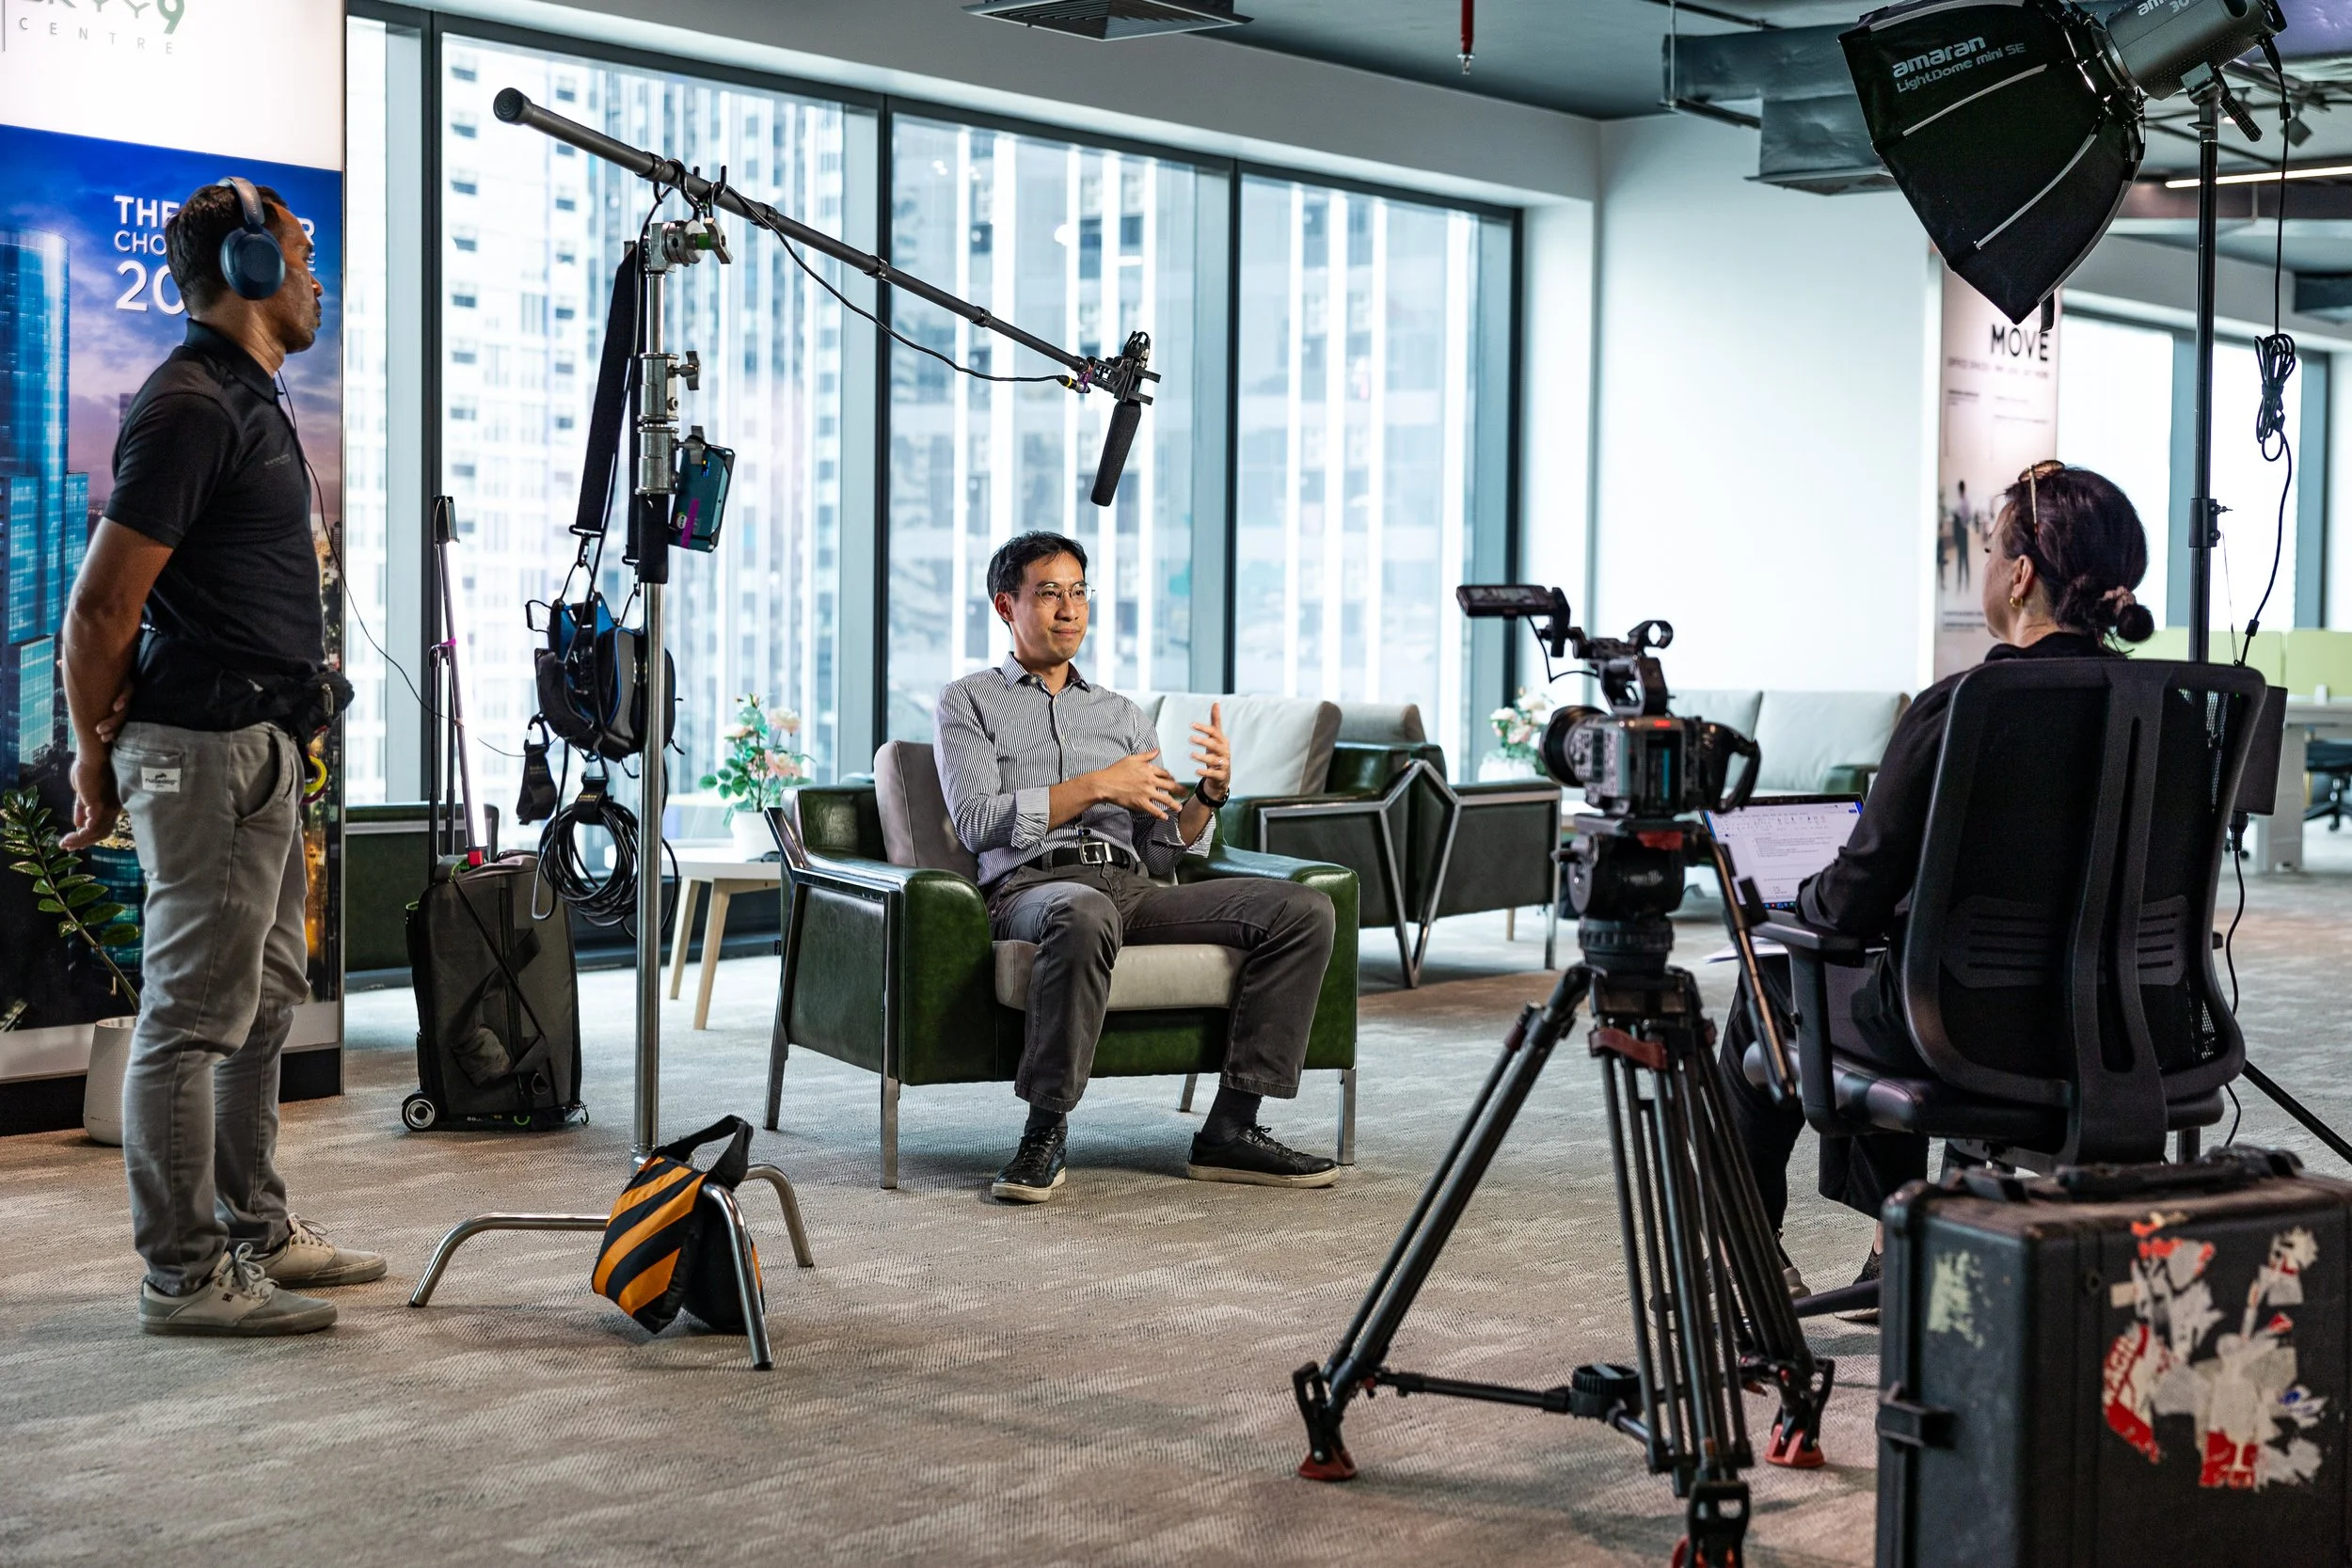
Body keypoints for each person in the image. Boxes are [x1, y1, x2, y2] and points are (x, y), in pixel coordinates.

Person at [1718, 461, 2156, 1308]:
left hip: (1959, 1025)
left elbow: (1849, 902)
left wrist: (1782, 911)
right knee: (1886, 963)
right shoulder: (2163, 704)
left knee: (1776, 971)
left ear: (2022, 575)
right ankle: (1899, 1237)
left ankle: (1742, 1263)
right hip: (2124, 1022)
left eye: (1992, 552)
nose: (1988, 567)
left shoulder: (1964, 704)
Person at [59, 180, 379, 1337]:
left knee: (263, 999)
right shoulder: (191, 403)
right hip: (198, 752)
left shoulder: (249, 397)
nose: (315, 274)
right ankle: (183, 1274)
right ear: (247, 268)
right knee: (192, 1013)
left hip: (259, 747)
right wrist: (96, 765)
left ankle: (254, 1229)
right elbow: (98, 611)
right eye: (300, 251)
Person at [935, 531, 1342, 1203]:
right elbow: (978, 821)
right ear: (1007, 606)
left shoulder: (1123, 716)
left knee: (1302, 909)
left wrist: (1206, 798)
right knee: (1082, 909)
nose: (1069, 609)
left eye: (1078, 592)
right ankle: (1044, 1132)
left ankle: (1232, 1129)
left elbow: (1159, 851)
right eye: (1048, 593)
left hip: (1131, 884)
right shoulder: (968, 701)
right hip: (1033, 887)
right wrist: (1097, 786)